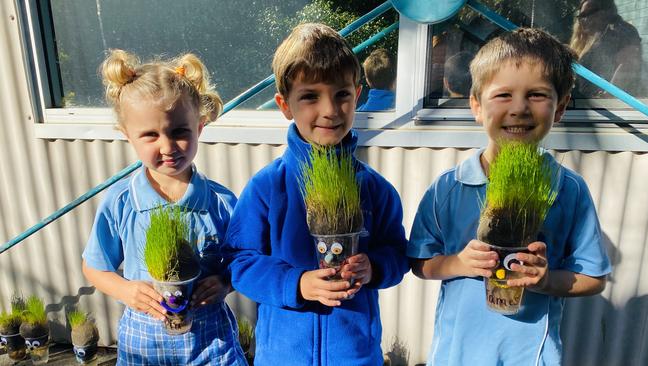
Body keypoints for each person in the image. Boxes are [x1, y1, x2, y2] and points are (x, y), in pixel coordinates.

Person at [408, 28, 611, 365]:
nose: (519, 108)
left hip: (532, 356)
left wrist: (546, 281)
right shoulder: (448, 188)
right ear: (476, 105)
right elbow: (419, 262)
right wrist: (459, 263)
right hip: (457, 355)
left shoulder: (567, 190)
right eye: (503, 95)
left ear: (560, 107)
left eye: (536, 95)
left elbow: (593, 278)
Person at [222, 23, 410, 365]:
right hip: (282, 355)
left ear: (358, 93)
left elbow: (398, 253)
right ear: (284, 104)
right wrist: (298, 284)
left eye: (341, 94)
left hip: (355, 354)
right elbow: (240, 261)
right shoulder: (268, 187)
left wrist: (375, 267)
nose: (330, 110)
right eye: (310, 96)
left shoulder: (375, 189)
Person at [81, 50, 247, 365]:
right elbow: (94, 266)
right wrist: (126, 291)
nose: (167, 146)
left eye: (179, 132)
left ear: (199, 127)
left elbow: (245, 260)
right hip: (144, 346)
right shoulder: (120, 202)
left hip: (211, 344)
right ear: (128, 136)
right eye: (150, 135)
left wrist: (226, 282)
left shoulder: (221, 203)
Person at [570, 0, 643, 97]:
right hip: (587, 106)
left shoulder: (621, 30)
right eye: (581, 16)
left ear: (606, 11)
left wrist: (606, 97)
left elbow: (628, 63)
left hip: (608, 108)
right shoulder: (596, 38)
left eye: (589, 13)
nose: (584, 20)